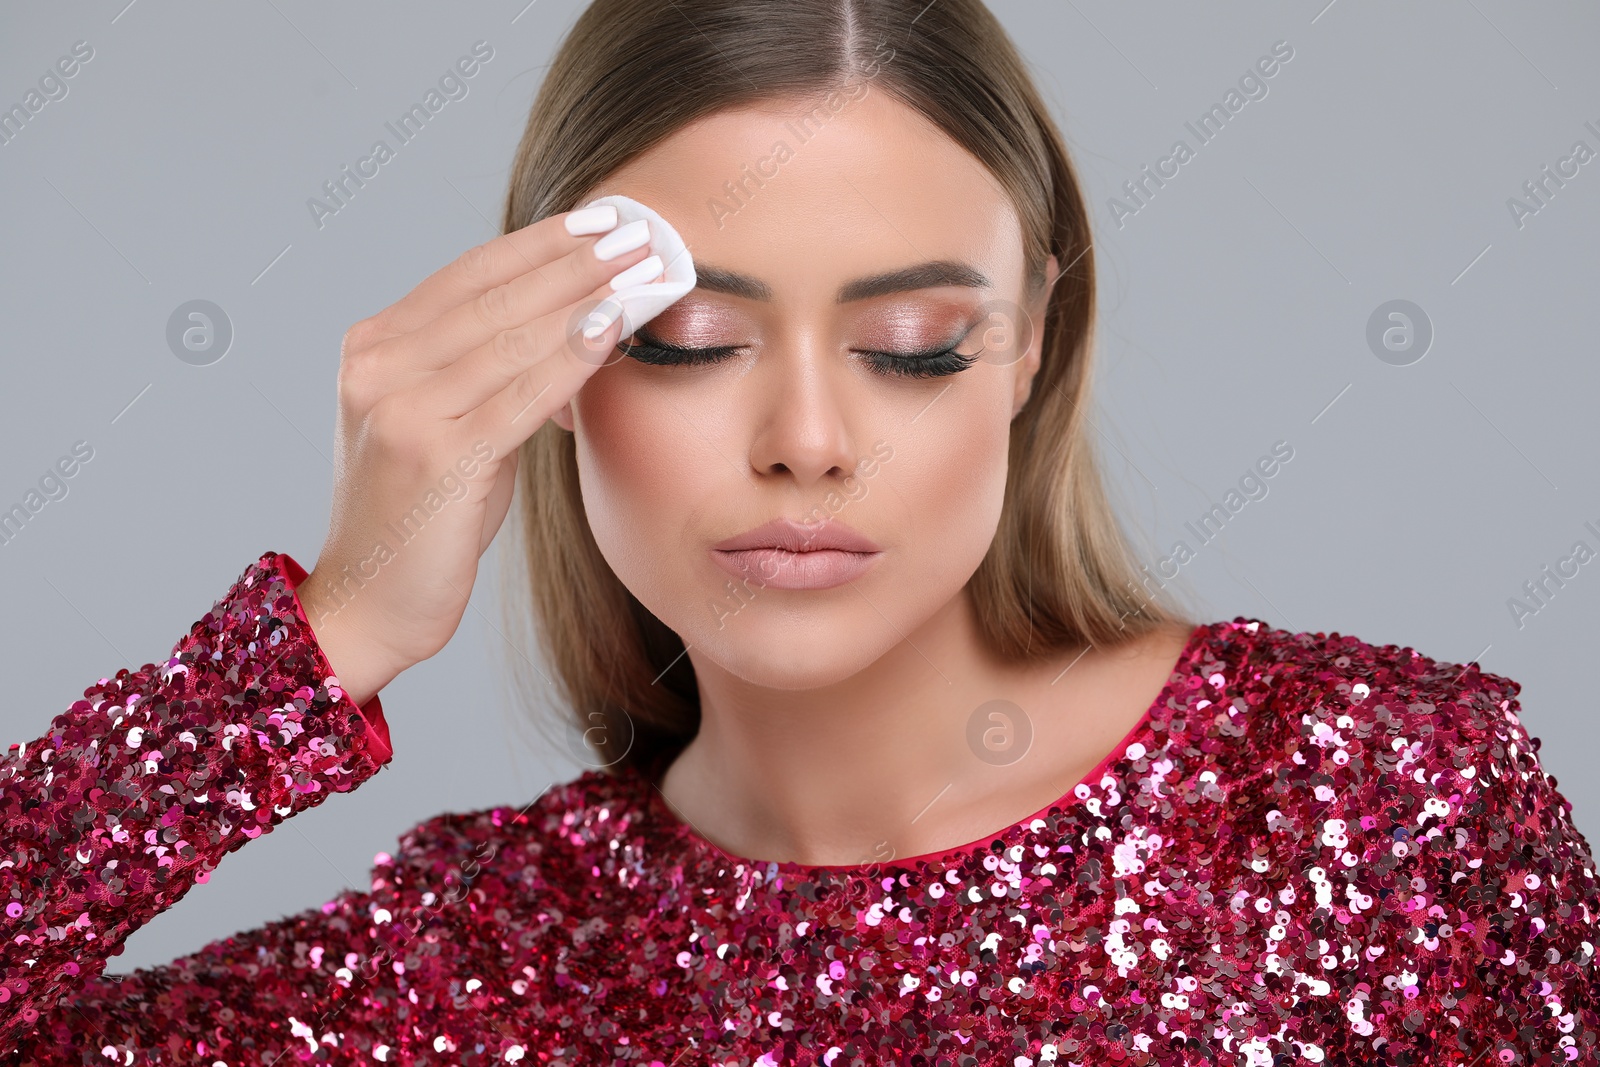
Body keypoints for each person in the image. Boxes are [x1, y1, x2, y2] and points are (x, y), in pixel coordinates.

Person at [4, 0, 1596, 1062]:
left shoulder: (1385, 794)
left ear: (1033, 347)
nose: (809, 444)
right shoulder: (462, 964)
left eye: (913, 344)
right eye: (691, 341)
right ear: (550, 367)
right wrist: (325, 638)